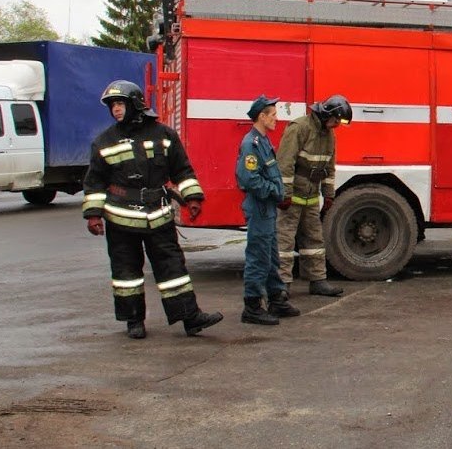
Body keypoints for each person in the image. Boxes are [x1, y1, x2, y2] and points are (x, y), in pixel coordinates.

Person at [81, 80, 222, 339]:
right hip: (121, 218)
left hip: (158, 215)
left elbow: (182, 169)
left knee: (173, 269)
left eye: (120, 103)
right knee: (127, 273)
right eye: (112, 105)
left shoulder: (164, 135)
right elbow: (94, 182)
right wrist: (93, 215)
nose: (116, 110)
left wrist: (192, 198)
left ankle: (190, 318)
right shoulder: (104, 142)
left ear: (135, 104)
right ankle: (134, 320)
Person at [275, 95, 352, 296]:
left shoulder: (329, 135)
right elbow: (285, 163)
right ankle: (282, 285)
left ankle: (317, 280)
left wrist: (328, 195)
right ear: (326, 114)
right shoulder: (299, 128)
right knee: (284, 241)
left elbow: (329, 167)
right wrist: (286, 194)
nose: (336, 126)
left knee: (314, 240)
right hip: (292, 197)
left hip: (310, 197)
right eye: (336, 121)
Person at [236, 95, 299, 326]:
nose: (276, 119)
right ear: (261, 117)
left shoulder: (263, 142)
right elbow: (249, 179)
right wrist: (274, 191)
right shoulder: (250, 144)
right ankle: (252, 306)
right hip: (260, 207)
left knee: (271, 256)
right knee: (258, 256)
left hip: (268, 208)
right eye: (272, 115)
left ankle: (276, 299)